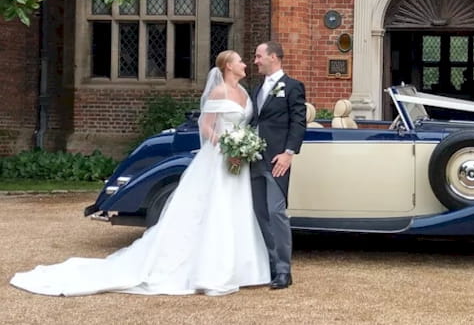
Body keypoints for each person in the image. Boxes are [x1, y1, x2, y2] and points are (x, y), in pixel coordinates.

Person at [10, 51, 270, 296]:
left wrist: (243, 145)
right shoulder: (218, 91)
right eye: (240, 61)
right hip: (219, 159)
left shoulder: (244, 93)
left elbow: (246, 124)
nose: (245, 64)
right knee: (214, 209)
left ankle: (242, 269)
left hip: (239, 161)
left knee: (237, 209)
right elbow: (205, 125)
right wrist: (225, 146)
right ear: (228, 66)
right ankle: (211, 272)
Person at [251, 41, 306, 290]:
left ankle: (284, 270)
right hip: (253, 159)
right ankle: (271, 267)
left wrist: (288, 153)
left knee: (276, 212)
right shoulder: (256, 89)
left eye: (259, 56)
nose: (255, 61)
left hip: (277, 160)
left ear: (273, 57)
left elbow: (298, 122)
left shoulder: (293, 87)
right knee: (261, 214)